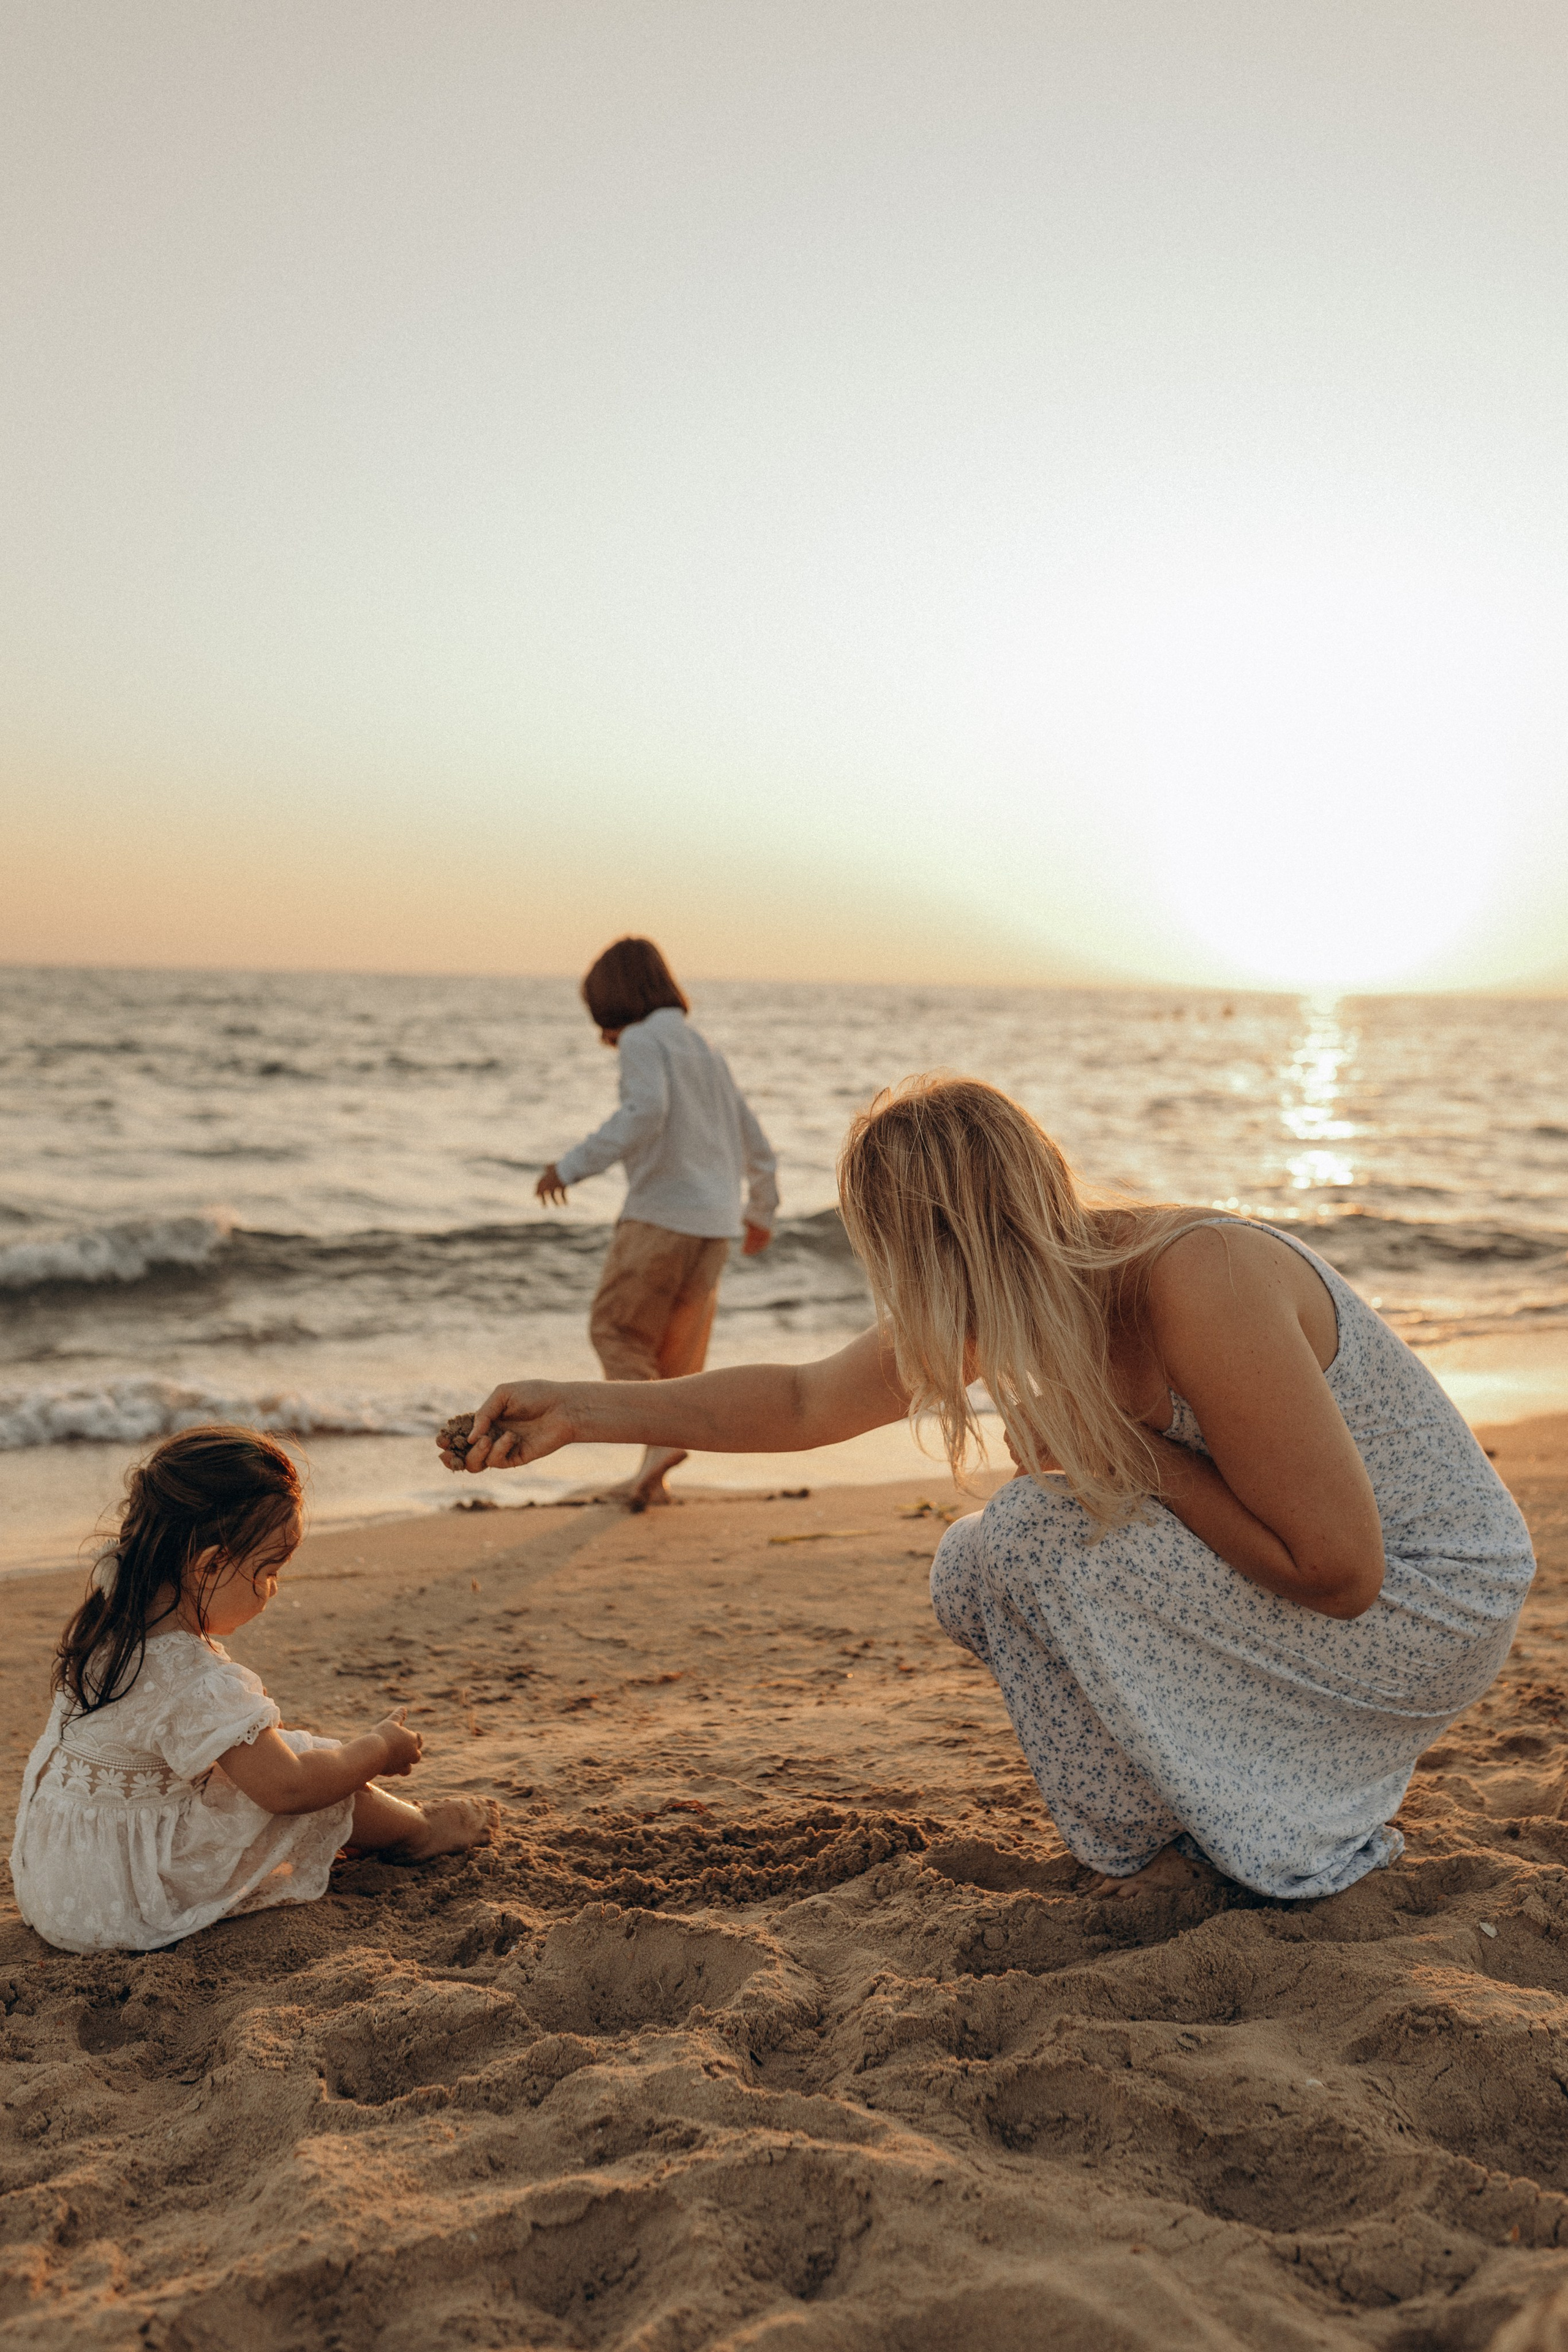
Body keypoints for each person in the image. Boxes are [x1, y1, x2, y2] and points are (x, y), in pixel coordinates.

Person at [443, 1074, 1534, 1904]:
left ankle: (1272, 1840)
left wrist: (1129, 1455)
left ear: (940, 1246)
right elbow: (800, 1401)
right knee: (978, 1563)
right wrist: (582, 1411)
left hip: (1434, 1605)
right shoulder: (1026, 1293)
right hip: (1351, 1596)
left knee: (1026, 1536)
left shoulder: (1200, 1279)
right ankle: (1183, 1827)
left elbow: (1342, 1573)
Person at [11, 1427, 492, 1954]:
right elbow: (290, 1789)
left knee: (265, 1761)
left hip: (53, 1887)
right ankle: (419, 1831)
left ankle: (396, 1822)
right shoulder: (197, 1678)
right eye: (267, 1571)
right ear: (210, 1565)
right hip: (122, 1903)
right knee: (313, 1767)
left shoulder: (109, 1628)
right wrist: (378, 1748)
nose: (274, 1588)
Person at [535, 935, 778, 1510]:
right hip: (716, 1225)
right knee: (678, 1361)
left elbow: (645, 1112)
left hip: (660, 1217)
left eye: (604, 1017)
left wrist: (569, 1167)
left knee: (615, 1333)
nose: (606, 1033)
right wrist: (761, 1208)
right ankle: (657, 1474)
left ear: (619, 1000)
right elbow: (756, 1139)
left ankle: (660, 1437)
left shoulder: (644, 1040)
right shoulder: (704, 1047)